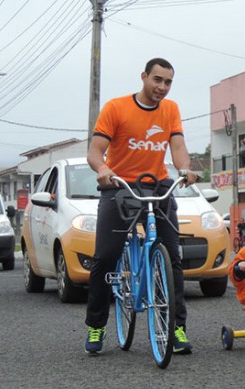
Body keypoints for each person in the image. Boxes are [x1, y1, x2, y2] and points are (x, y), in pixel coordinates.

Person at [85, 58, 199, 354]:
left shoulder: (170, 109)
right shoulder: (116, 107)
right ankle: (96, 326)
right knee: (106, 256)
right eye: (157, 80)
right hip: (119, 185)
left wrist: (185, 168)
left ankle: (176, 329)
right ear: (144, 77)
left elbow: (177, 148)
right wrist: (103, 169)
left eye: (168, 82)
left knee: (172, 256)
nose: (162, 87)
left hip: (157, 184)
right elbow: (95, 152)